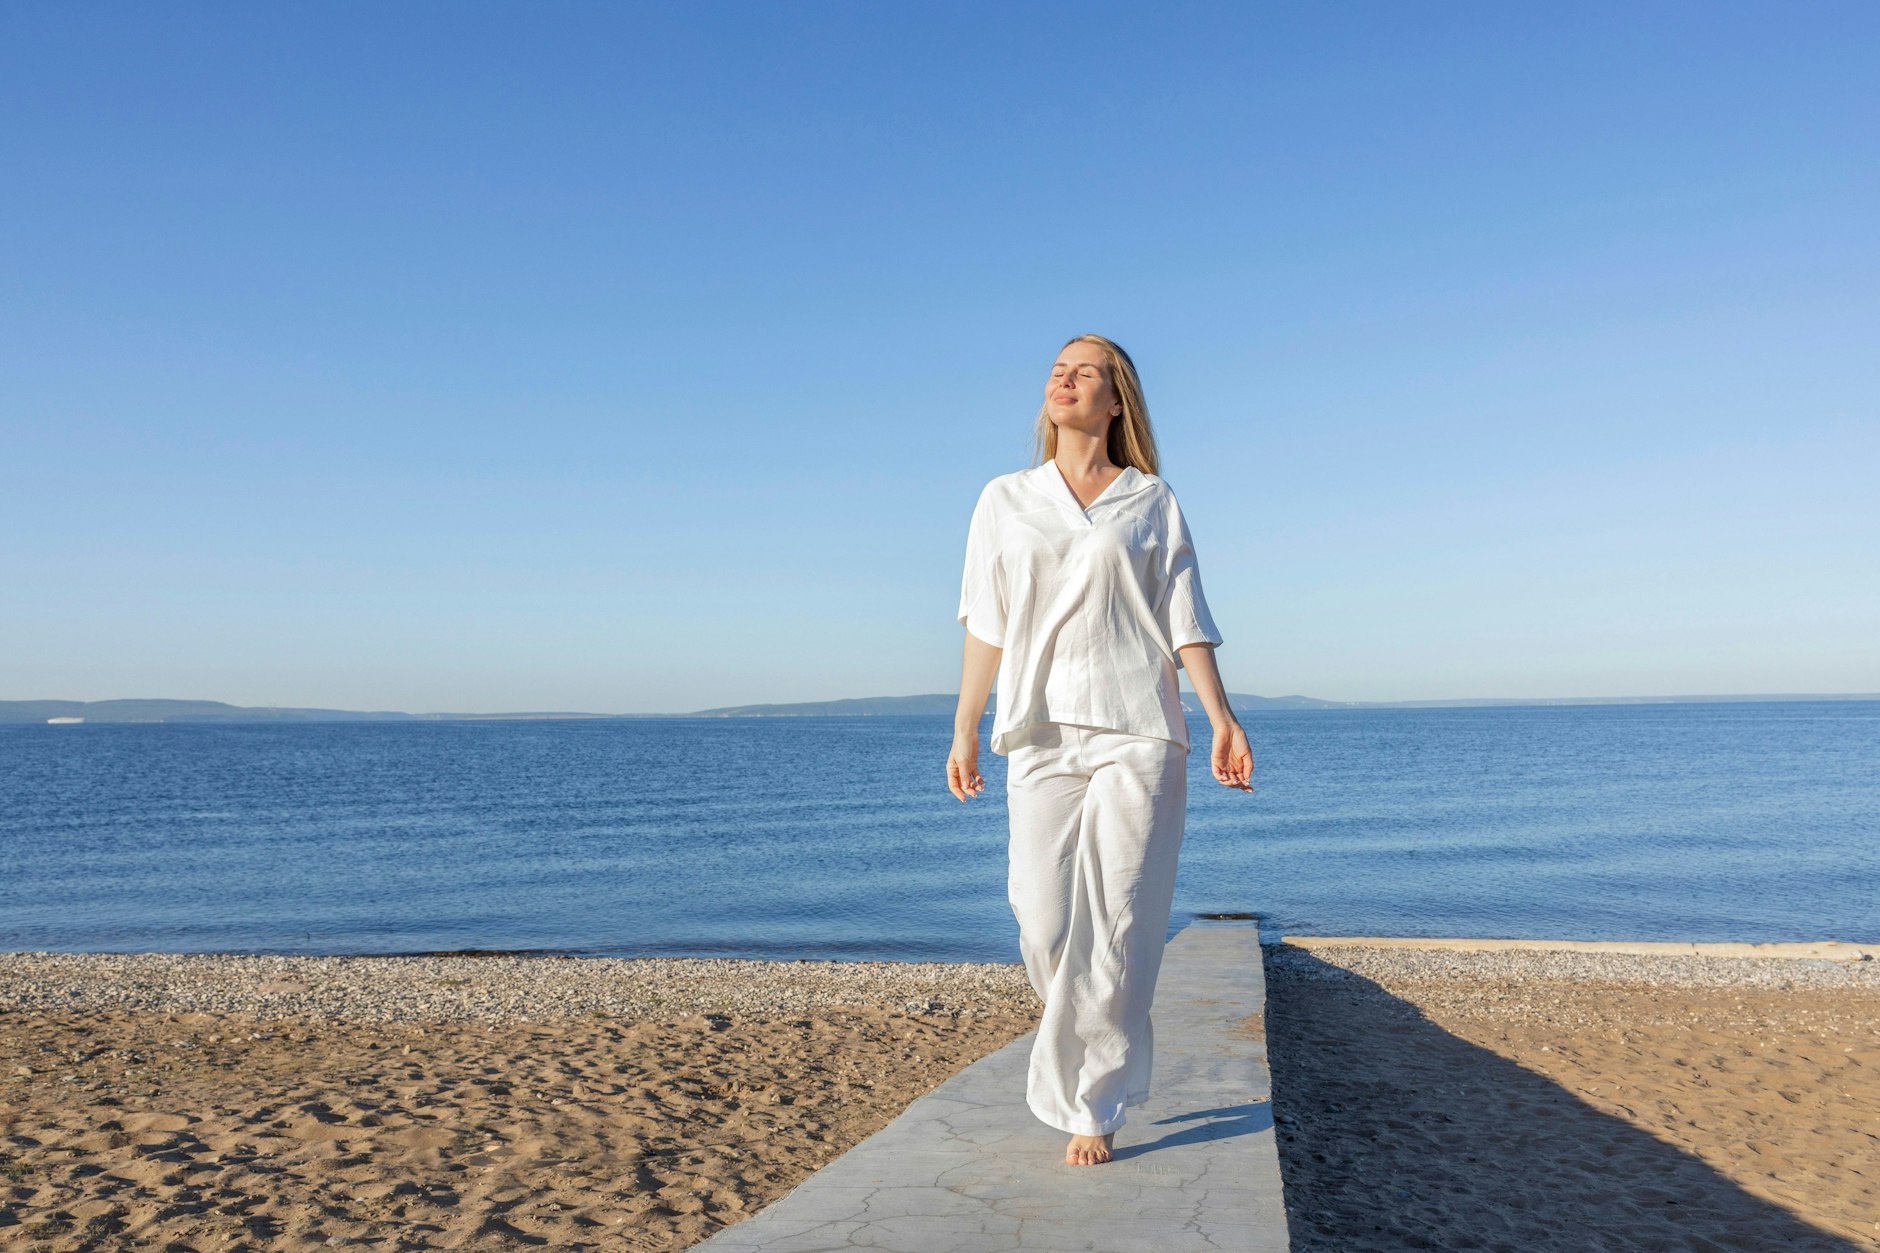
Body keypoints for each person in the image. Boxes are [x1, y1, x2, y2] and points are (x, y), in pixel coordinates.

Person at [946, 333, 1255, 1167]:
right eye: (1056, 367)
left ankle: (1096, 1101)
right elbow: (987, 619)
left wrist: (1221, 716)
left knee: (1118, 923)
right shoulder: (1004, 498)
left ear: (1116, 400)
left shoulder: (1152, 500)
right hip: (1038, 730)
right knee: (1044, 920)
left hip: (1137, 729)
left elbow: (1183, 617)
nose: (1063, 377)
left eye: (1084, 371)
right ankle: (1091, 1052)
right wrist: (967, 721)